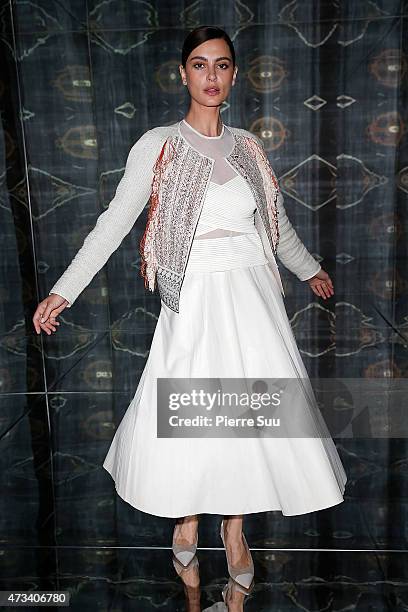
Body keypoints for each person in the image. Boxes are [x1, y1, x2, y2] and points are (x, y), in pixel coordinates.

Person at [32, 26, 347, 591]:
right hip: (197, 296)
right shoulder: (158, 144)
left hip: (254, 296)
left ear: (233, 75)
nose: (211, 77)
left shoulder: (250, 146)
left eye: (222, 66)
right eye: (199, 65)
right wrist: (65, 289)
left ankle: (234, 528)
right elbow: (115, 223)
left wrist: (311, 269)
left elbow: (275, 227)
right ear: (183, 74)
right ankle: (187, 516)